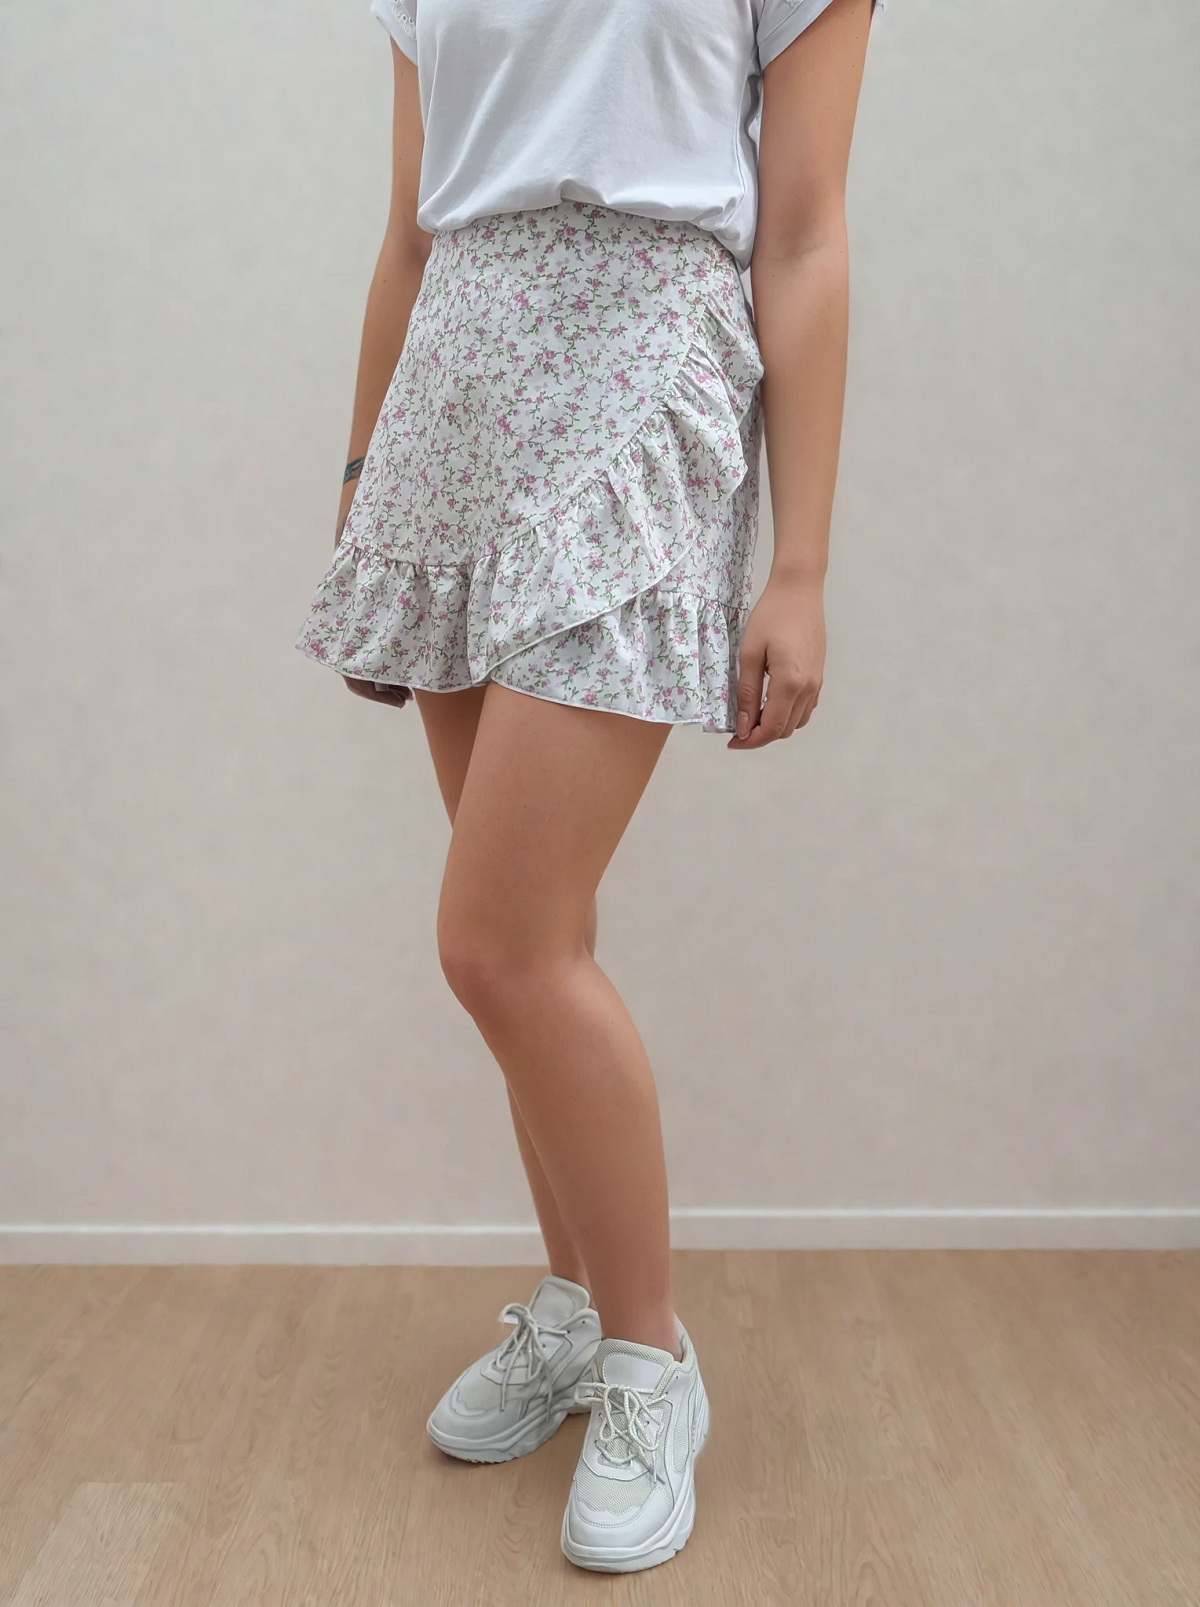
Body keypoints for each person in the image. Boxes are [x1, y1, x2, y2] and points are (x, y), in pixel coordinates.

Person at [295, 0, 883, 1574]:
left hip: (639, 369)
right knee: (534, 952)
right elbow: (411, 232)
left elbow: (805, 233)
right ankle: (573, 1309)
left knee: (500, 942)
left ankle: (649, 1359)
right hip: (454, 391)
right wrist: (362, 484)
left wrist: (801, 566)